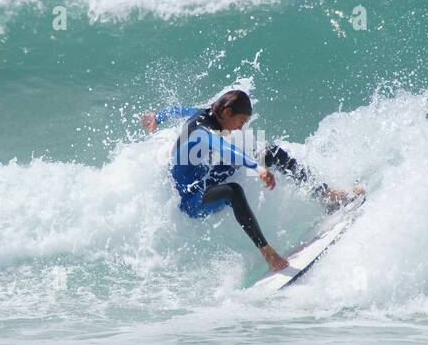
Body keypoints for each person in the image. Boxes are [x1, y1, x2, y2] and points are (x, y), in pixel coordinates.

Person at [140, 89, 360, 271]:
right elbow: (222, 147)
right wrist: (257, 168)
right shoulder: (202, 131)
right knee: (232, 191)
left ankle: (326, 195)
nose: (241, 127)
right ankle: (267, 252)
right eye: (241, 121)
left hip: (205, 177)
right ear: (226, 112)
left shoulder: (207, 115)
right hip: (191, 198)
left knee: (271, 152)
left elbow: (178, 111)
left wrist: (156, 118)